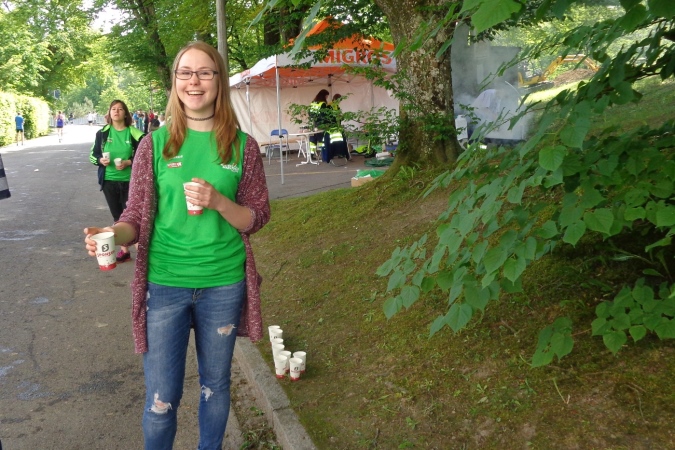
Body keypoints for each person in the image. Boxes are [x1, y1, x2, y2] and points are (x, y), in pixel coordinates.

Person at [83, 41, 270, 450]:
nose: (194, 81)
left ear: (219, 80)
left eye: (205, 72)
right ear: (175, 82)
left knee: (215, 387)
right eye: (185, 72)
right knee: (161, 399)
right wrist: (113, 235)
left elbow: (256, 217)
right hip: (165, 284)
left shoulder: (243, 146)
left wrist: (219, 202)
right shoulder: (154, 144)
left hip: (223, 283)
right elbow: (135, 215)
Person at [88, 100, 145, 263]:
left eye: (120, 109)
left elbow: (145, 157)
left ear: (125, 113)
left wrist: (129, 162)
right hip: (109, 181)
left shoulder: (136, 134)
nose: (116, 111)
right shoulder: (102, 133)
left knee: (134, 216)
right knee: (117, 215)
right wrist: (100, 160)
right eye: (113, 109)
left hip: (131, 182)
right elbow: (92, 155)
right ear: (109, 113)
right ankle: (124, 251)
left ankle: (141, 252)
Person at [308, 89, 332, 162]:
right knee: (322, 140)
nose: (327, 97)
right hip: (321, 125)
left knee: (312, 141)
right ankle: (323, 155)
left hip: (313, 124)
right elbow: (324, 115)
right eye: (327, 96)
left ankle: (311, 155)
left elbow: (309, 113)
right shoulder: (323, 104)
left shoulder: (313, 103)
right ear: (324, 96)